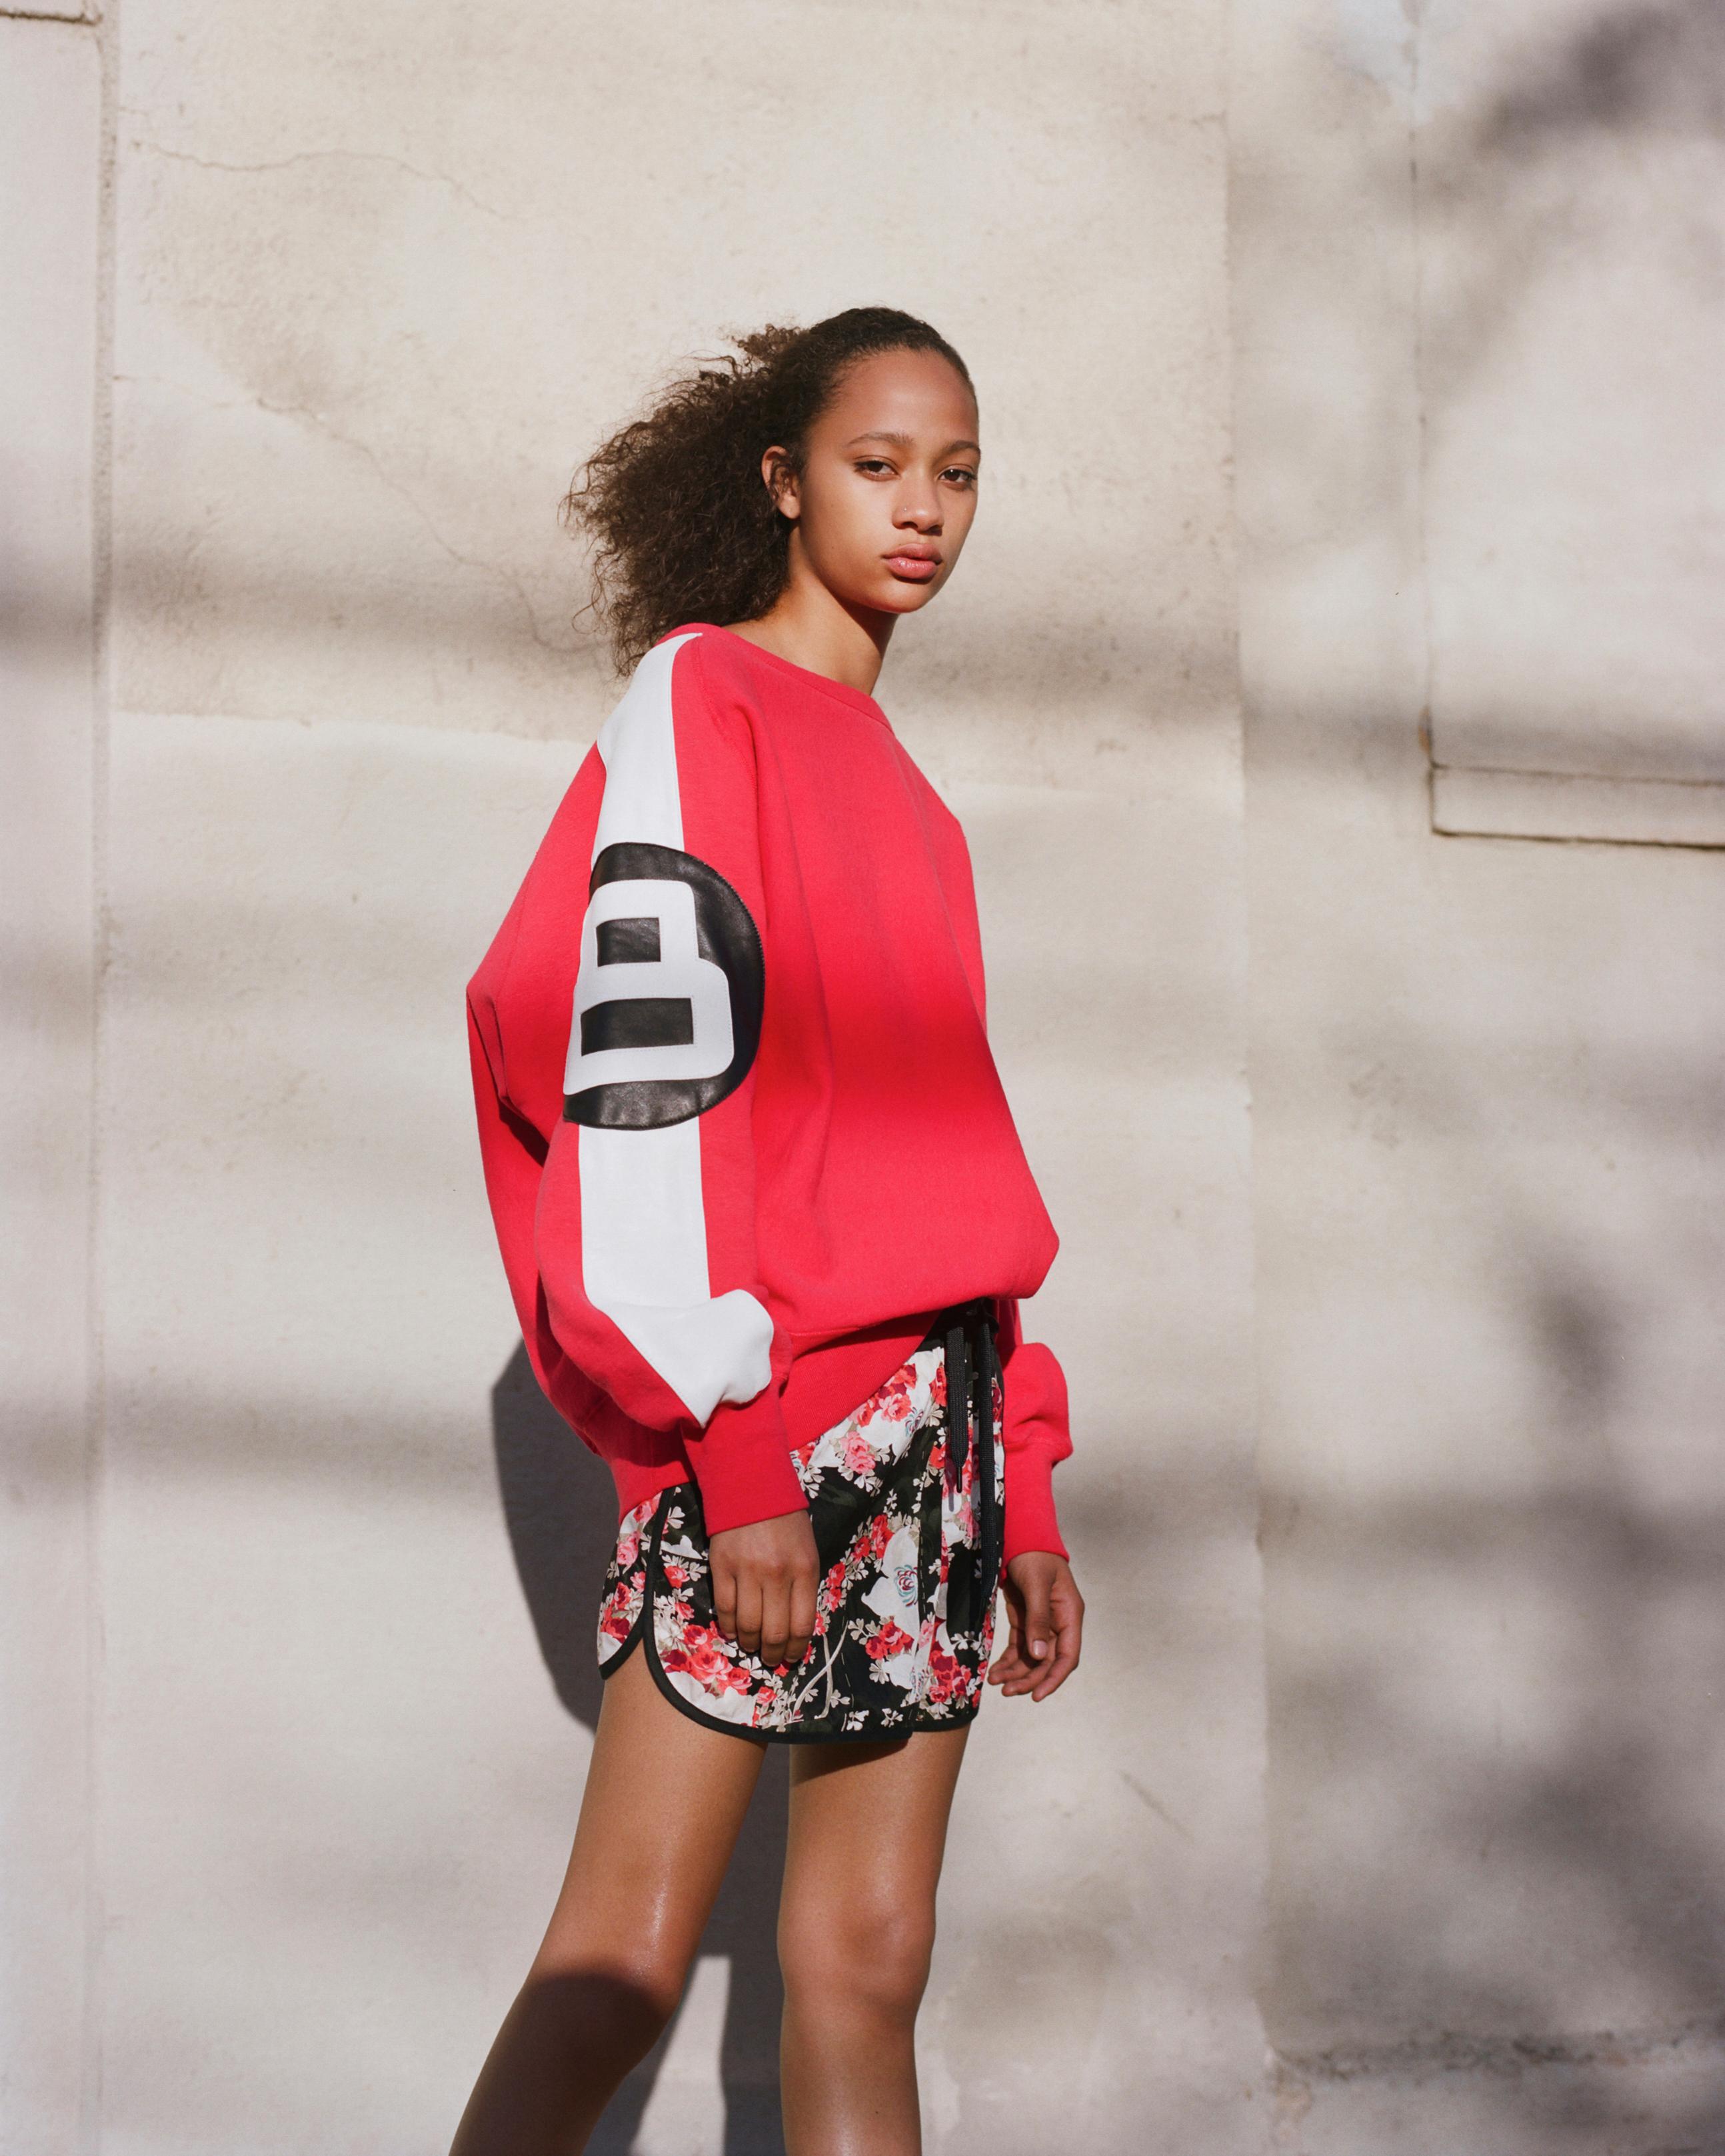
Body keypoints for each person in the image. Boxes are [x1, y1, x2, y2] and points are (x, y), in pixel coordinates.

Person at [453, 306, 1084, 2156]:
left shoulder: (918, 802)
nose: (923, 509)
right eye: (878, 465)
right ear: (784, 477)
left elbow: (951, 1159)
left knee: (869, 1961)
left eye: (956, 473)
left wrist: (1024, 1483)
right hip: (764, 1422)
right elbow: (638, 1078)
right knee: (624, 1963)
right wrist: (727, 1445)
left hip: (944, 1427)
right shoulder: (699, 700)